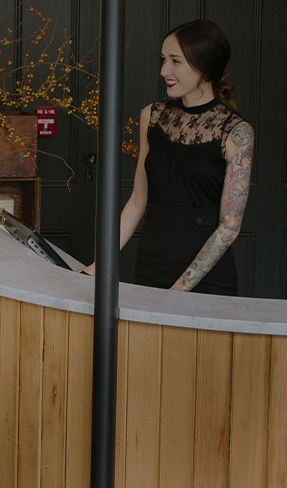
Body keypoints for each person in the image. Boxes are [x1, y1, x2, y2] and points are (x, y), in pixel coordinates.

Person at [83, 19, 253, 294]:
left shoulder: (236, 132)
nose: (164, 71)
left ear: (205, 66)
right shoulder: (152, 116)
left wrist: (178, 290)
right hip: (152, 262)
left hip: (207, 276)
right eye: (163, 60)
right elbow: (138, 200)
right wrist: (98, 266)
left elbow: (229, 227)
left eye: (176, 61)